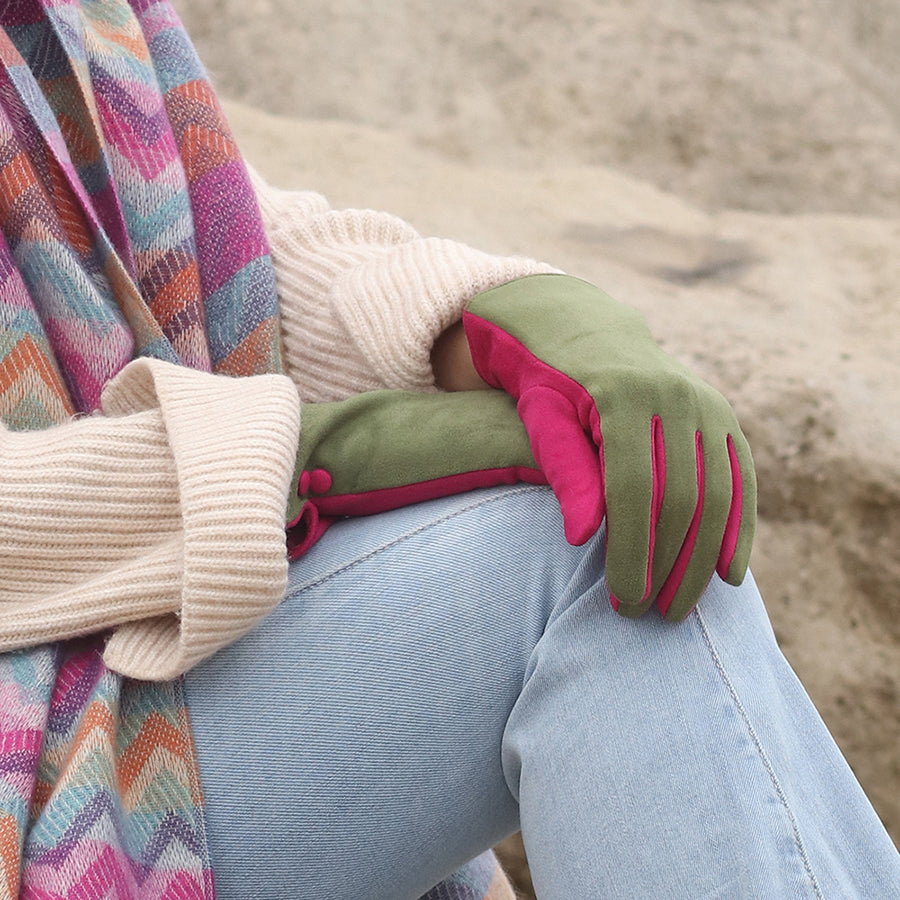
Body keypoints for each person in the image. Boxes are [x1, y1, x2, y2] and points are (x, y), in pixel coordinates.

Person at [0, 2, 898, 898]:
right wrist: (309, 457)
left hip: (153, 672)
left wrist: (505, 319)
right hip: (35, 746)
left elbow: (225, 244)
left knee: (631, 513)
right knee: (578, 556)